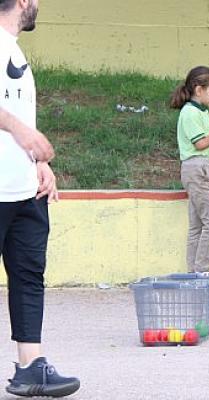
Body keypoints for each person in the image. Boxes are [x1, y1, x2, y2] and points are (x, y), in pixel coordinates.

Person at [0, 0, 81, 396]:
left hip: (25, 188)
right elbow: (16, 123)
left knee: (29, 276)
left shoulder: (14, 50)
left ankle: (30, 367)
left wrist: (38, 161)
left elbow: (16, 111)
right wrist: (22, 132)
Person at [170, 65, 209, 286]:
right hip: (197, 169)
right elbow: (199, 144)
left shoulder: (201, 111)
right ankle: (202, 270)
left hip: (200, 168)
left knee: (197, 224)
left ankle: (194, 271)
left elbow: (204, 141)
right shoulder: (190, 113)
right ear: (199, 90)